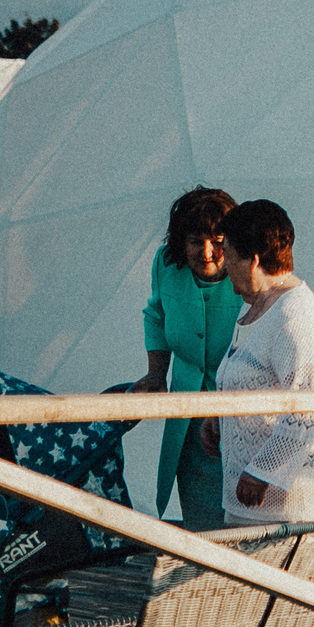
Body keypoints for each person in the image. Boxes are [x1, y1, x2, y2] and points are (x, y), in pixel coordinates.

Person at [169, 198, 314, 627]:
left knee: (278, 601)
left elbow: (309, 406)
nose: (221, 265)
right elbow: (255, 384)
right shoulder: (263, 310)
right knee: (254, 597)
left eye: (228, 253)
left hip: (288, 494)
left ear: (252, 257)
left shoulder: (297, 316)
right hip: (255, 493)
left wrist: (264, 470)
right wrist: (222, 421)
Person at [132, 187, 242, 529]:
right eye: (195, 241)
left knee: (244, 508)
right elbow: (156, 315)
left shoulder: (251, 269)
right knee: (202, 514)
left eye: (218, 240)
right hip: (188, 407)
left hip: (241, 408)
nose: (207, 252)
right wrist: (155, 375)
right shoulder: (166, 264)